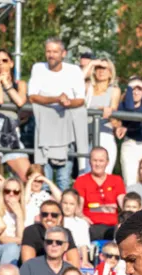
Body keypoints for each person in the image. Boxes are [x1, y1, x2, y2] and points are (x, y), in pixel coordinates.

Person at [28, 38, 88, 192]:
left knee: (63, 181)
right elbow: (32, 96)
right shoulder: (38, 68)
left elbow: (80, 100)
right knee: (44, 181)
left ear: (63, 53)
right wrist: (56, 99)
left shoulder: (74, 70)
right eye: (48, 51)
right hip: (44, 133)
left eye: (55, 51)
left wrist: (67, 103)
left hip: (66, 135)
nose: (51, 55)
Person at [0, 48, 30, 181]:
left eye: (4, 60)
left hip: (11, 129)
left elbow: (20, 102)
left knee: (28, 176)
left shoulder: (21, 84)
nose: (1, 63)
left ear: (11, 63)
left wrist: (7, 84)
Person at [73, 146, 125, 241]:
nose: (98, 164)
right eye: (95, 160)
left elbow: (124, 205)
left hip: (113, 226)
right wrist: (83, 218)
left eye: (101, 161)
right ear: (89, 162)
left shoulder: (117, 180)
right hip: (91, 226)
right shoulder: (81, 181)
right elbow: (78, 208)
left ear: (107, 162)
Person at [116, 76, 142, 190]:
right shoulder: (123, 104)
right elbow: (130, 108)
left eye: (139, 88)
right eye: (132, 88)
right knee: (130, 182)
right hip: (131, 144)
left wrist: (127, 128)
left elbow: (139, 115)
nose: (136, 91)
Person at [84, 59, 121, 173]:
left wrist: (106, 110)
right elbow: (76, 82)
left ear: (110, 72)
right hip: (86, 136)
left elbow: (113, 111)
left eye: (105, 68)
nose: (101, 71)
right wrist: (91, 64)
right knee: (86, 173)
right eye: (98, 68)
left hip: (104, 133)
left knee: (104, 172)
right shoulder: (88, 87)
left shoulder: (114, 90)